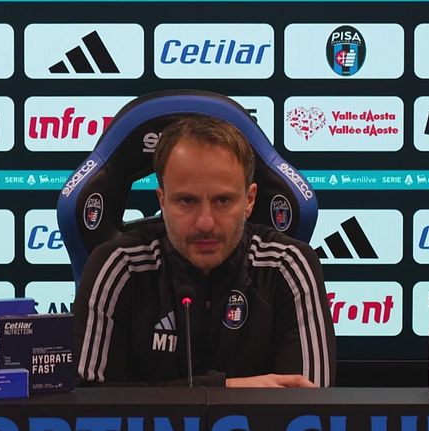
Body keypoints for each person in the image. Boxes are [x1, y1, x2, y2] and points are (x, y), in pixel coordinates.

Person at [74, 114, 335, 387]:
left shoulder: (287, 265)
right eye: (187, 201)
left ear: (249, 200)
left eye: (223, 200)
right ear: (162, 200)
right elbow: (87, 402)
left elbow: (309, 402)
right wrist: (229, 388)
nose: (205, 223)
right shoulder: (119, 265)